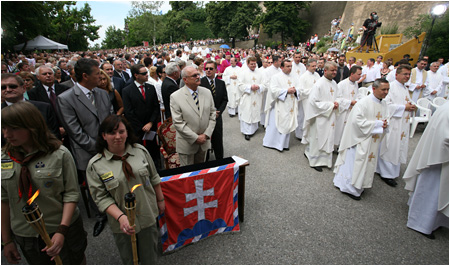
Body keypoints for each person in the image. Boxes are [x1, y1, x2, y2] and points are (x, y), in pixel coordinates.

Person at [1, 101, 87, 264]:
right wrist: (6, 241)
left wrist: (62, 230)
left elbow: (71, 194)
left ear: (31, 126)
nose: (7, 134)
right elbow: (3, 201)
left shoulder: (59, 154)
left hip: (61, 228)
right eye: (4, 128)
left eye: (13, 128)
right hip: (27, 235)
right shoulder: (3, 158)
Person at [87, 115, 164, 264]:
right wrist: (122, 218)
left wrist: (160, 200)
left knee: (150, 258)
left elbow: (154, 177)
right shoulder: (96, 165)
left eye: (121, 131)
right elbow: (101, 198)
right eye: (112, 133)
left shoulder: (140, 151)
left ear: (127, 132)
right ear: (103, 135)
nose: (117, 137)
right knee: (130, 259)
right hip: (122, 224)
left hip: (147, 215)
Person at [56, 58, 113, 237]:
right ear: (85, 76)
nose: (101, 77)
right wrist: (98, 148)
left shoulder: (102, 94)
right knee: (95, 186)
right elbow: (75, 131)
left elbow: (110, 119)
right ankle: (101, 215)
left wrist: (111, 143)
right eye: (97, 74)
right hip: (87, 152)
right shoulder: (66, 99)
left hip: (110, 147)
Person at [333, 79, 390, 200]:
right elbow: (356, 122)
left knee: (367, 162)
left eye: (387, 90)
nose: (386, 92)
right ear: (374, 89)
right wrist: (378, 124)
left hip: (372, 139)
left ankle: (360, 185)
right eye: (383, 89)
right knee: (355, 162)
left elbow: (386, 117)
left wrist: (385, 123)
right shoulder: (363, 103)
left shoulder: (383, 103)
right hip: (359, 140)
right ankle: (349, 187)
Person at [403, 103, 448, 239]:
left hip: (438, 158)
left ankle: (434, 221)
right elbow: (446, 138)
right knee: (432, 191)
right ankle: (420, 223)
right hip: (438, 161)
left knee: (436, 191)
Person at [376, 65, 416, 187]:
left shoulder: (404, 88)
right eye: (405, 74)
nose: (407, 76)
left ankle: (393, 171)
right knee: (390, 147)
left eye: (409, 74)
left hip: (402, 123)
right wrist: (405, 107)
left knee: (398, 146)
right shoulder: (391, 87)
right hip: (393, 122)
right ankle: (386, 173)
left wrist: (411, 105)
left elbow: (406, 101)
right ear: (397, 74)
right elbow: (386, 105)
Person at [170, 66, 216, 166]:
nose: (198, 77)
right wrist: (195, 138)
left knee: (200, 174)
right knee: (188, 177)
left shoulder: (207, 92)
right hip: (187, 144)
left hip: (204, 142)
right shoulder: (176, 97)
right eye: (194, 75)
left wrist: (206, 134)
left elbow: (213, 115)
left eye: (198, 74)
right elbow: (178, 122)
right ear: (185, 79)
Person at [302, 62, 339, 172]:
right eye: (332, 70)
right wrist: (331, 105)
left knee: (328, 136)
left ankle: (326, 160)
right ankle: (315, 161)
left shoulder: (334, 83)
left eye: (335, 70)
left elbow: (338, 97)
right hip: (320, 117)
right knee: (317, 138)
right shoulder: (319, 84)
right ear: (325, 70)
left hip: (330, 116)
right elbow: (313, 103)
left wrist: (337, 103)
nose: (334, 72)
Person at [122, 64, 161, 168]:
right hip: (137, 130)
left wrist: (150, 123)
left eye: (146, 73)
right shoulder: (127, 90)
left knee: (154, 152)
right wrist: (141, 127)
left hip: (151, 128)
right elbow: (129, 112)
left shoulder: (151, 88)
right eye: (144, 73)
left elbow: (155, 107)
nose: (147, 75)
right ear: (136, 75)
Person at [1, 73, 60, 139]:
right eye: (3, 88)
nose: (8, 90)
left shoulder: (44, 108)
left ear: (23, 88)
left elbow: (54, 135)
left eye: (12, 86)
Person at [263, 60, 300, 152]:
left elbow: (300, 88)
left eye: (291, 66)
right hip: (279, 105)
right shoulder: (276, 77)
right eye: (288, 66)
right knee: (277, 124)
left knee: (287, 123)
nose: (290, 68)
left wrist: (296, 91)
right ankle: (272, 143)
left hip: (290, 104)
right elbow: (273, 90)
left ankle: (284, 144)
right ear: (282, 67)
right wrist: (286, 91)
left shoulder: (295, 76)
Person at [200, 61, 228, 160]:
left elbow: (225, 99)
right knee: (206, 141)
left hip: (217, 116)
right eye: (206, 68)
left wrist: (219, 112)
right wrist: (210, 113)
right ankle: (206, 162)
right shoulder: (200, 83)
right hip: (205, 117)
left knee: (218, 140)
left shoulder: (221, 83)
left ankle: (220, 161)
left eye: (211, 69)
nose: (208, 70)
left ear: (216, 70)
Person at [237, 56, 266, 141]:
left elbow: (264, 84)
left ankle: (254, 129)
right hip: (247, 96)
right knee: (247, 112)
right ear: (247, 64)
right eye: (251, 64)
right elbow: (240, 85)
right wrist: (250, 87)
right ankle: (246, 132)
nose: (253, 65)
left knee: (255, 112)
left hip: (256, 96)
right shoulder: (243, 73)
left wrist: (259, 86)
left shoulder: (260, 73)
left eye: (254, 64)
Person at [334, 65, 362, 147]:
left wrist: (357, 101)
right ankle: (338, 145)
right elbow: (338, 98)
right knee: (341, 129)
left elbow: (358, 95)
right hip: (343, 111)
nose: (360, 76)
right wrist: (350, 102)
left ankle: (346, 145)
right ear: (352, 74)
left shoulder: (356, 84)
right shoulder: (342, 84)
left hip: (352, 110)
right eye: (359, 74)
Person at [296, 59, 320, 141]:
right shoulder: (303, 77)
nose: (314, 67)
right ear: (308, 66)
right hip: (306, 100)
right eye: (313, 66)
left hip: (316, 100)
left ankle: (311, 135)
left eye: (315, 66)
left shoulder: (317, 75)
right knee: (305, 118)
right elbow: (301, 90)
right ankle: (302, 135)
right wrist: (313, 91)